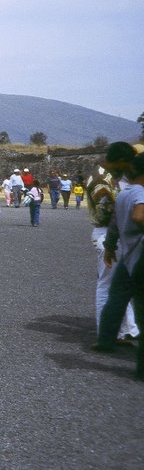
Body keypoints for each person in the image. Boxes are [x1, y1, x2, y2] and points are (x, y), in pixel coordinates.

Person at [93, 152, 144, 378]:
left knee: (116, 298)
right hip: (141, 256)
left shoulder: (123, 193)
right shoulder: (141, 194)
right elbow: (139, 217)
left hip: (127, 257)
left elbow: (113, 223)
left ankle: (105, 340)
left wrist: (110, 247)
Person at [86, 142, 138, 340]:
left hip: (108, 232)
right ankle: (108, 331)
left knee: (119, 284)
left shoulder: (105, 175)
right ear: (120, 161)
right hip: (107, 233)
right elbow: (108, 211)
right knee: (108, 285)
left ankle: (128, 330)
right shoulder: (101, 179)